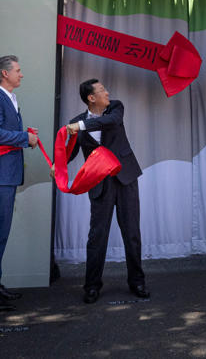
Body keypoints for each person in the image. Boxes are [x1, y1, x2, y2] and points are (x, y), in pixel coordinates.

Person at [66, 79, 149, 304]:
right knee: (97, 236)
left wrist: (81, 127)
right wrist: (58, 165)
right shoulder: (76, 123)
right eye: (102, 90)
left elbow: (110, 122)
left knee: (132, 233)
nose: (107, 92)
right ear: (91, 98)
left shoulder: (115, 108)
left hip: (125, 178)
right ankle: (92, 286)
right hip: (100, 183)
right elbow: (70, 153)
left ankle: (137, 282)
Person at [0, 55, 38, 312]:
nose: (21, 74)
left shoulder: (9, 98)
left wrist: (24, 137)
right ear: (4, 74)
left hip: (4, 175)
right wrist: (25, 137)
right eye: (18, 71)